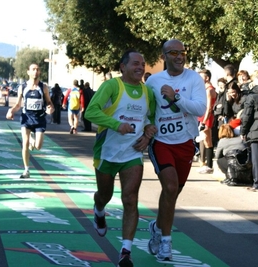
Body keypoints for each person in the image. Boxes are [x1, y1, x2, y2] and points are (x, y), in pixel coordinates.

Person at [84, 49, 157, 267]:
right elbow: (90, 112)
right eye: (135, 63)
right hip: (106, 152)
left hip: (132, 153)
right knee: (105, 195)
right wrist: (117, 125)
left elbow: (151, 120)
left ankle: (125, 252)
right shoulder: (112, 86)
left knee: (130, 199)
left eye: (143, 64)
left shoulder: (147, 92)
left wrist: (147, 135)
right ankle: (99, 209)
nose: (140, 68)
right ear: (123, 67)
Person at [145, 39, 206, 261]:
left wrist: (176, 98)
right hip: (161, 142)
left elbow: (200, 108)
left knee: (173, 193)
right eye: (174, 52)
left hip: (185, 143)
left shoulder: (193, 78)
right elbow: (146, 109)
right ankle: (166, 243)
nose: (180, 56)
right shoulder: (153, 81)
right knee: (170, 188)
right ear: (164, 56)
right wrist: (145, 129)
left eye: (183, 52)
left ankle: (157, 226)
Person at [5, 63, 54, 178]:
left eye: (37, 69)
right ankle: (26, 170)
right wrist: (11, 111)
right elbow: (18, 104)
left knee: (38, 146)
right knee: (25, 144)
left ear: (39, 72)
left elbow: (49, 103)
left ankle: (33, 141)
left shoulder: (44, 87)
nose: (35, 71)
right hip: (26, 118)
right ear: (28, 72)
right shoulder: (22, 87)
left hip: (40, 119)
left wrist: (50, 108)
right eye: (33, 69)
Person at [197, 69, 217, 174]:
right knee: (204, 140)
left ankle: (209, 165)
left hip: (207, 117)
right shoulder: (204, 89)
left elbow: (209, 107)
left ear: (207, 78)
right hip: (202, 116)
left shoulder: (209, 90)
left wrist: (204, 122)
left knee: (208, 141)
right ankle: (206, 164)